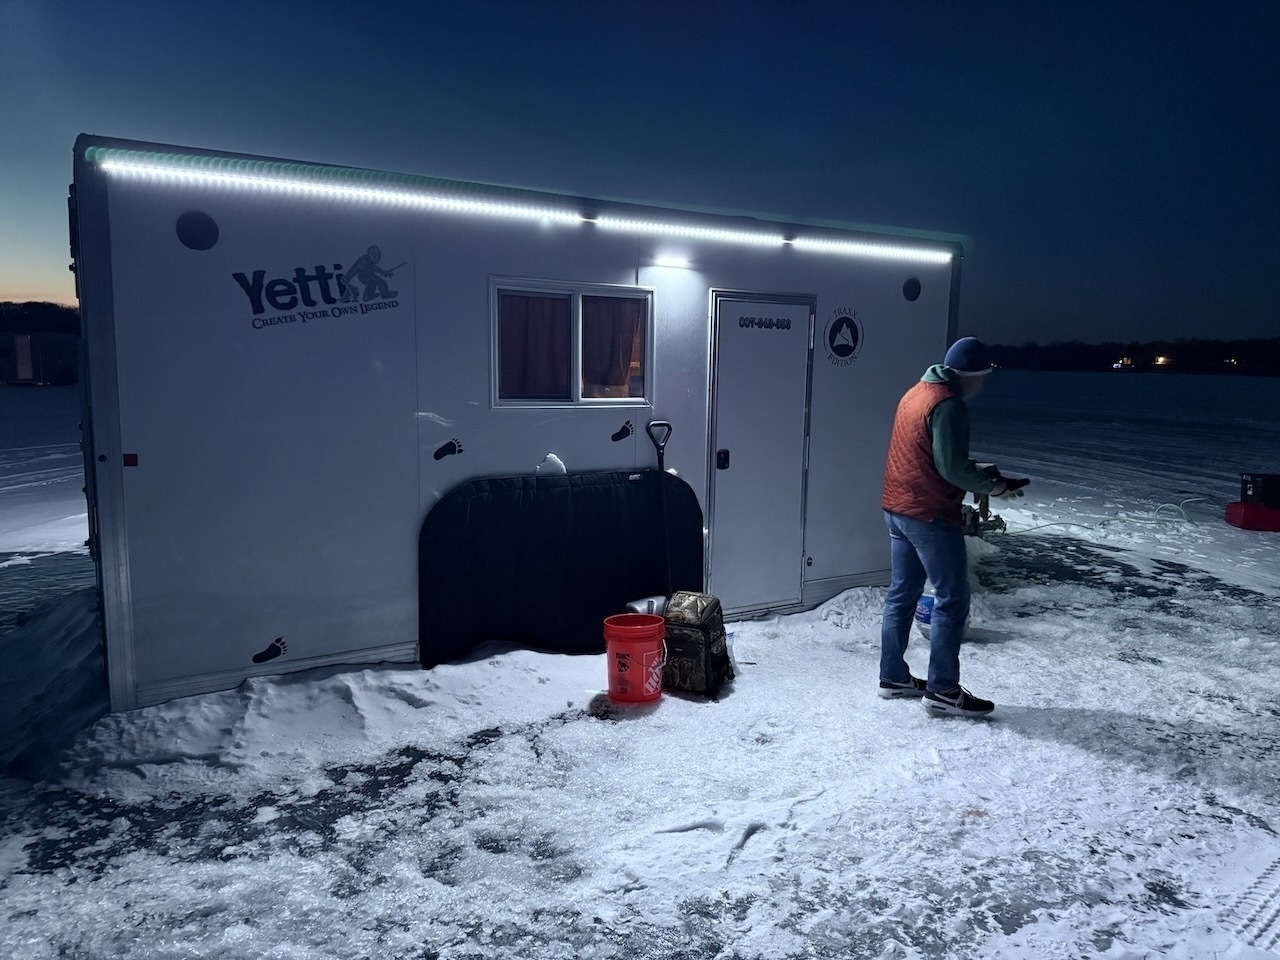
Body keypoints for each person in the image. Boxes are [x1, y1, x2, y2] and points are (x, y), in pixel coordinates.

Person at [878, 336, 1029, 717]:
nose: (984, 384)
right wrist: (994, 486)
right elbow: (950, 468)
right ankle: (943, 689)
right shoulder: (949, 404)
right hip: (929, 514)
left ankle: (893, 676)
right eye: (984, 376)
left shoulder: (917, 392)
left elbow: (927, 452)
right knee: (951, 599)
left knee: (902, 593)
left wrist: (978, 472)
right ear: (972, 375)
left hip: (898, 508)